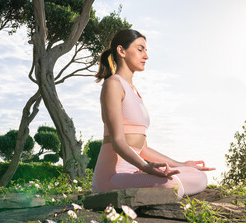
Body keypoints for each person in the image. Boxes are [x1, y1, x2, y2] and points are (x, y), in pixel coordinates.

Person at [92, 29, 215, 199]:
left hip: (135, 171)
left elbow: (143, 148)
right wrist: (145, 168)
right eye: (140, 49)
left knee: (198, 176)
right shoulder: (113, 85)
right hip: (112, 177)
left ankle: (153, 181)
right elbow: (118, 141)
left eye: (146, 51)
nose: (146, 56)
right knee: (173, 185)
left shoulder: (134, 91)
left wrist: (182, 164)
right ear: (121, 51)